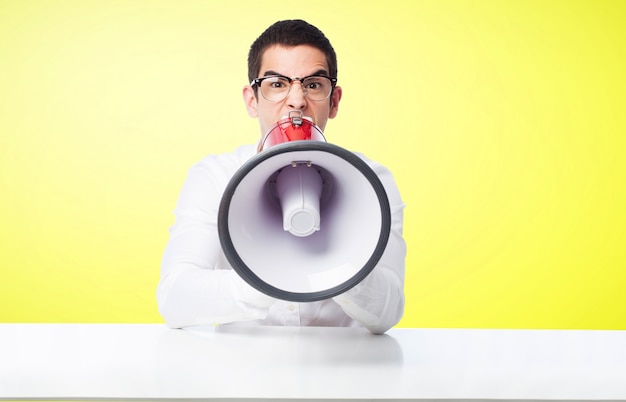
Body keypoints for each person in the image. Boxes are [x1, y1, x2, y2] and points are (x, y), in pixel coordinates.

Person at [157, 19, 406, 334]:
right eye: (277, 84)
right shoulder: (214, 176)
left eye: (313, 84)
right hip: (241, 375)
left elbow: (389, 309)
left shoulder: (373, 182)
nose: (297, 100)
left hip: (344, 372)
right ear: (252, 99)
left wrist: (338, 270)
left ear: (335, 100)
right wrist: (274, 275)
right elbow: (175, 297)